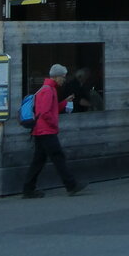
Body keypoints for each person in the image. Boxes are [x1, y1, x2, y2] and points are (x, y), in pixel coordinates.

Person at [22, 64, 87, 198]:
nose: (64, 80)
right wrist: (54, 125)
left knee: (39, 160)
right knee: (58, 157)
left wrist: (64, 102)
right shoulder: (48, 90)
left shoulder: (47, 88)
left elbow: (50, 108)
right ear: (57, 77)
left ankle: (28, 189)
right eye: (63, 77)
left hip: (40, 131)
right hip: (46, 131)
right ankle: (71, 185)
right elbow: (46, 112)